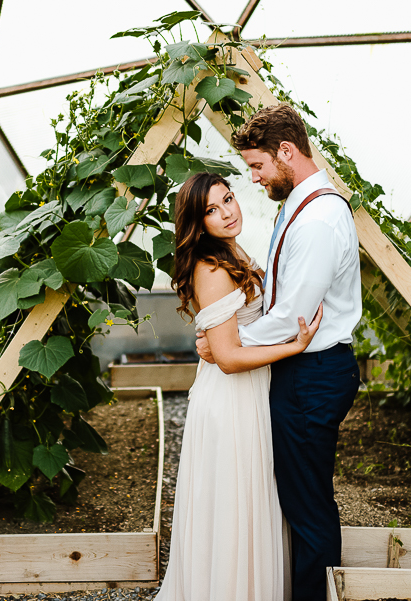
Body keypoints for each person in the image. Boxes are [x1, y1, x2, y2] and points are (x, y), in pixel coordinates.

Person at [196, 104, 361, 601]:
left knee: (308, 505)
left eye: (258, 166)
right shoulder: (300, 205)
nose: (255, 177)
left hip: (312, 372)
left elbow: (291, 315)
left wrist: (225, 343)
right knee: (297, 497)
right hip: (299, 367)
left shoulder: (317, 219)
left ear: (286, 152)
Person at [155, 172, 322, 601]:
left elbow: (229, 337)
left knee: (250, 503)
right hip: (230, 401)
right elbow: (227, 358)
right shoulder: (210, 266)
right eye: (212, 209)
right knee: (235, 506)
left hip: (249, 392)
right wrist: (295, 345)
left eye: (228, 199)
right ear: (198, 221)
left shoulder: (232, 249)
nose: (227, 212)